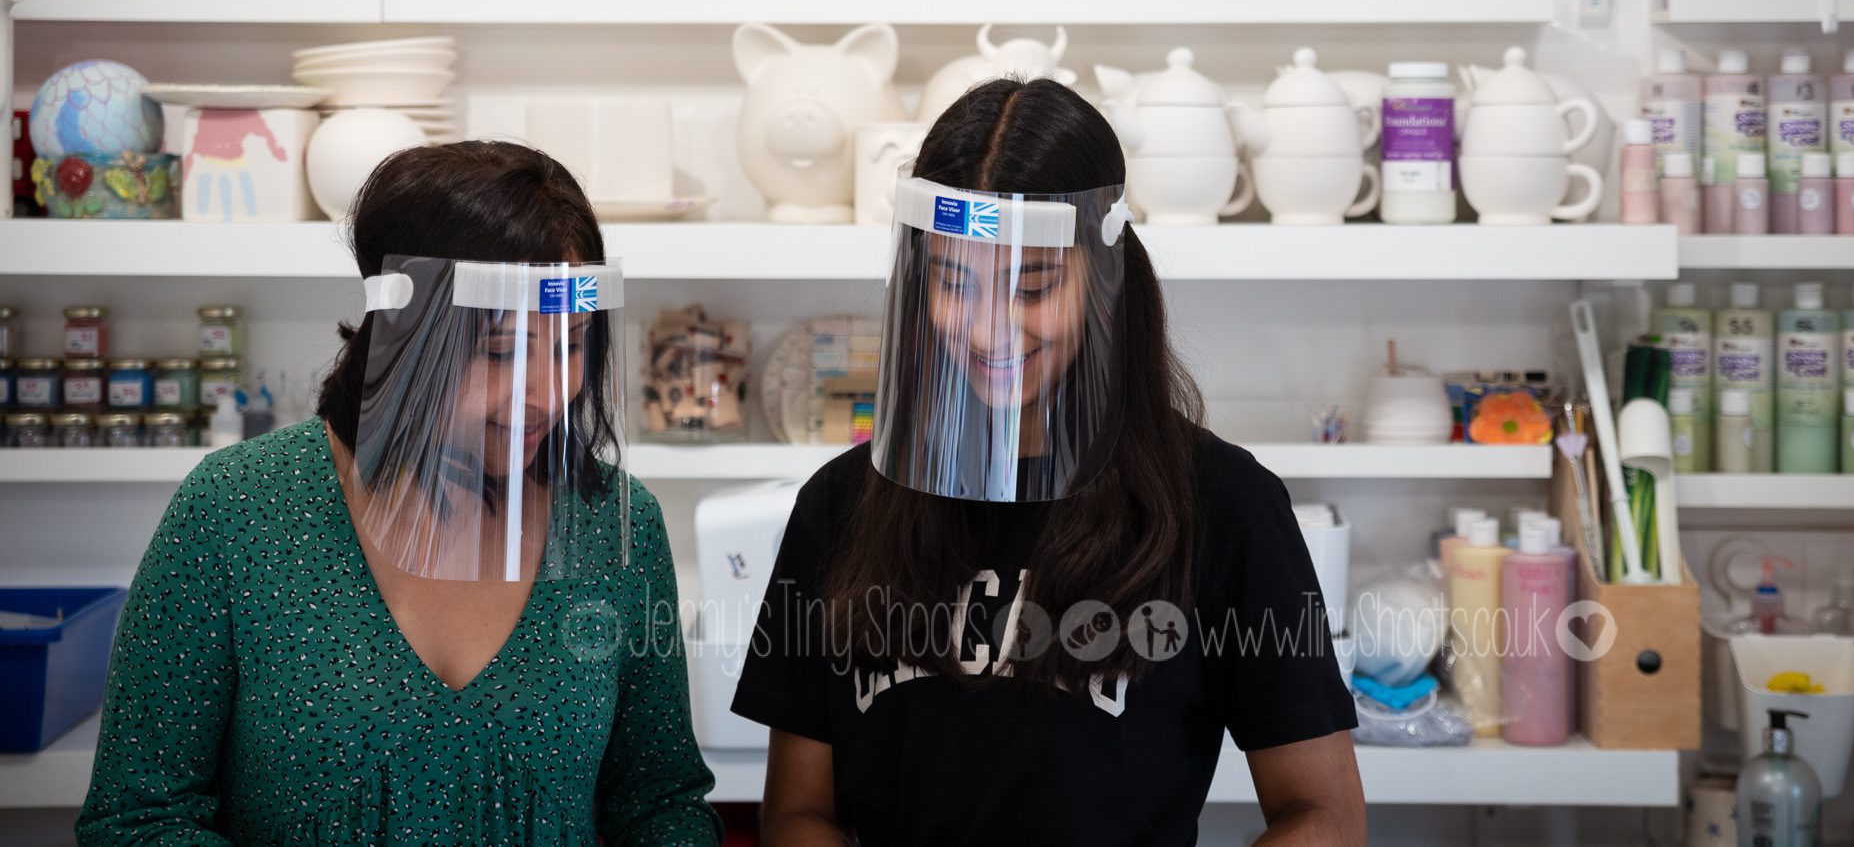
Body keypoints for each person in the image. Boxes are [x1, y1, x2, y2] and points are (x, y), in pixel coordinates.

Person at [732, 79, 1365, 845]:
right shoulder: (840, 506)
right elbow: (798, 813)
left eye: (1032, 285)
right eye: (954, 280)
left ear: (1104, 278)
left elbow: (1323, 815)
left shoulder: (1225, 506)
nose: (986, 328)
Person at [78, 141, 719, 847]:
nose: (548, 392)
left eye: (571, 343)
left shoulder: (614, 525)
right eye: (503, 350)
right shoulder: (236, 510)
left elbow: (662, 804)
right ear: (403, 335)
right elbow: (136, 817)